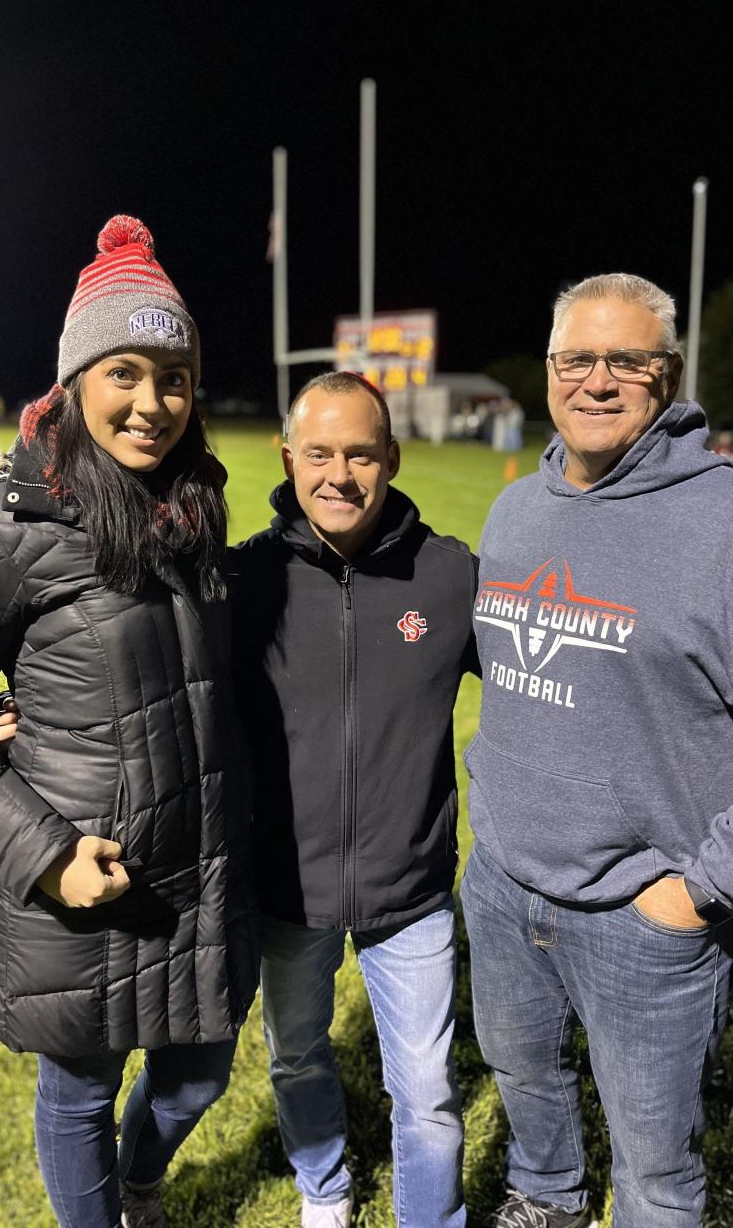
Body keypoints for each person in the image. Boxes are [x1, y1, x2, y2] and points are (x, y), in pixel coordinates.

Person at [0, 215, 259, 1228]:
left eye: (173, 376)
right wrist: (46, 853)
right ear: (77, 377)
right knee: (81, 1093)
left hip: (200, 873)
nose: (152, 402)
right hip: (86, 878)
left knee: (197, 1077)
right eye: (125, 372)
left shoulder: (196, 501)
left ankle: (140, 1185)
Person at [461, 272, 733, 1228]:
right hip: (503, 885)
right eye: (576, 357)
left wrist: (697, 893)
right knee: (522, 1075)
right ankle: (546, 1197)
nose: (598, 379)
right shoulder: (517, 510)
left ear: (667, 378)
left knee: (656, 1169)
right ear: (548, 372)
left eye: (627, 359)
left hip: (647, 916)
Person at [229, 372, 479, 1227]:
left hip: (408, 894)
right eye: (322, 452)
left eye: (361, 453)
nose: (340, 474)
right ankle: (324, 1192)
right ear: (290, 456)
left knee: (431, 1094)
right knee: (297, 1059)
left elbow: (552, 665)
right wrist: (17, 709)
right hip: (286, 891)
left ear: (392, 459)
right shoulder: (246, 582)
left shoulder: (450, 579)